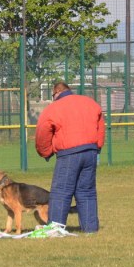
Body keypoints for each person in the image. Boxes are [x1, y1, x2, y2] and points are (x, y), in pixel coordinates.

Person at [35, 81, 104, 233]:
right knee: (87, 191)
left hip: (69, 153)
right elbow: (100, 127)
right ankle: (90, 229)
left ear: (56, 93)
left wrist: (45, 152)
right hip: (90, 152)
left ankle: (56, 228)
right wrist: (97, 147)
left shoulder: (54, 108)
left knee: (61, 191)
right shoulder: (90, 103)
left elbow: (42, 131)